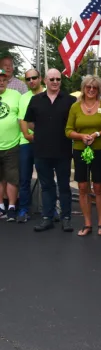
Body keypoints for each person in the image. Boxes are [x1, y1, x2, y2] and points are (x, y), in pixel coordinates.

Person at [65, 75, 101, 236]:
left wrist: (96, 134)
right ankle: (87, 224)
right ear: (83, 88)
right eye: (88, 87)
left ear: (99, 89)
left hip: (99, 150)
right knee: (82, 187)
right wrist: (81, 136)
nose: (91, 90)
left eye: (95, 87)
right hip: (80, 150)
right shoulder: (75, 107)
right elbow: (68, 130)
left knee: (99, 187)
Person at [26, 69, 76, 232]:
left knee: (64, 186)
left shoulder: (70, 100)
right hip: (41, 151)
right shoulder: (35, 100)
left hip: (63, 150)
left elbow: (74, 123)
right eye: (52, 79)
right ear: (45, 81)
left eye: (58, 79)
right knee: (46, 186)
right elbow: (30, 123)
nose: (55, 82)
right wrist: (44, 132)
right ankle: (47, 218)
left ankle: (66, 218)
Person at [17, 69, 44, 222]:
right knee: (24, 178)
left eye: (34, 78)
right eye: (28, 79)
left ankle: (50, 210)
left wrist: (40, 136)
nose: (31, 81)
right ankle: (23, 210)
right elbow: (22, 119)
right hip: (26, 142)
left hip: (44, 143)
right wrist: (27, 135)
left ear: (40, 78)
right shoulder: (24, 97)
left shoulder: (49, 93)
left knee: (46, 178)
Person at [0, 68, 21, 221]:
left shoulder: (15, 95)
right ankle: (1, 206)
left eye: (3, 79)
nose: (1, 82)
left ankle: (12, 207)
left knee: (12, 177)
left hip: (12, 144)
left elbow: (23, 117)